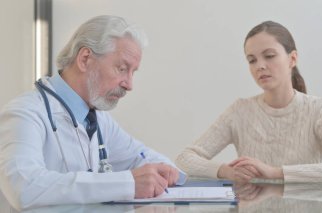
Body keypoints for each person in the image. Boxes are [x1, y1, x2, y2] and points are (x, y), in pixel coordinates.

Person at [0, 15, 186, 211]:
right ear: (85, 59)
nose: (129, 84)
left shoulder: (97, 119)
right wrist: (126, 183)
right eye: (122, 68)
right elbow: (24, 188)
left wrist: (168, 172)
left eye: (133, 72)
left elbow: (140, 156)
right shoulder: (25, 113)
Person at [175, 21, 322, 183]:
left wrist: (274, 173)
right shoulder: (240, 111)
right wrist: (226, 172)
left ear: (292, 58)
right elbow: (185, 158)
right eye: (252, 60)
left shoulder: (319, 109)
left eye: (269, 56)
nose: (260, 66)